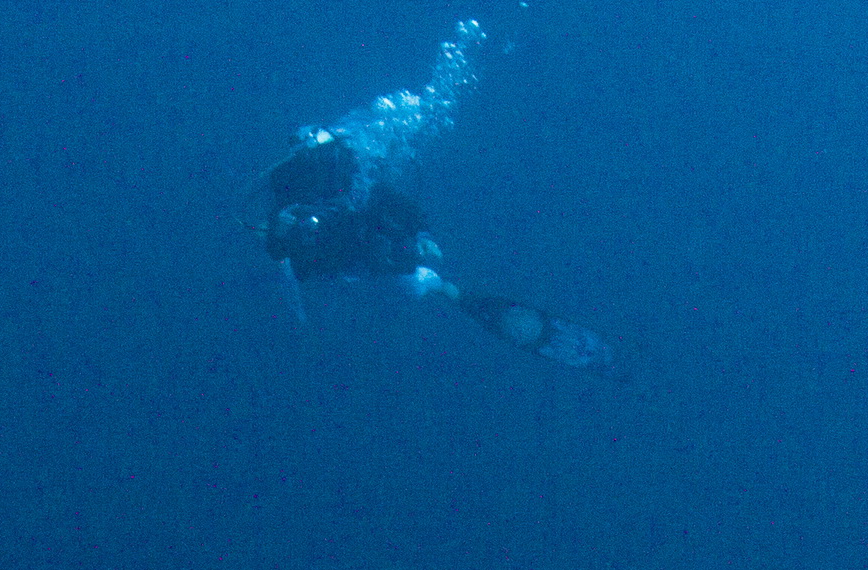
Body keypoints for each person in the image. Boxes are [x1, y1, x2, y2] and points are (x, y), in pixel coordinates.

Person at [252, 118, 618, 377]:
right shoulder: (290, 197)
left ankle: (450, 293)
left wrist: (423, 239)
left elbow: (404, 209)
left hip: (377, 259)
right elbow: (284, 256)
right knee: (408, 278)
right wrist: (285, 235)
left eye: (331, 164)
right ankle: (444, 292)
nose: (328, 176)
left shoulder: (361, 184)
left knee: (421, 278)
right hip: (339, 265)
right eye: (318, 167)